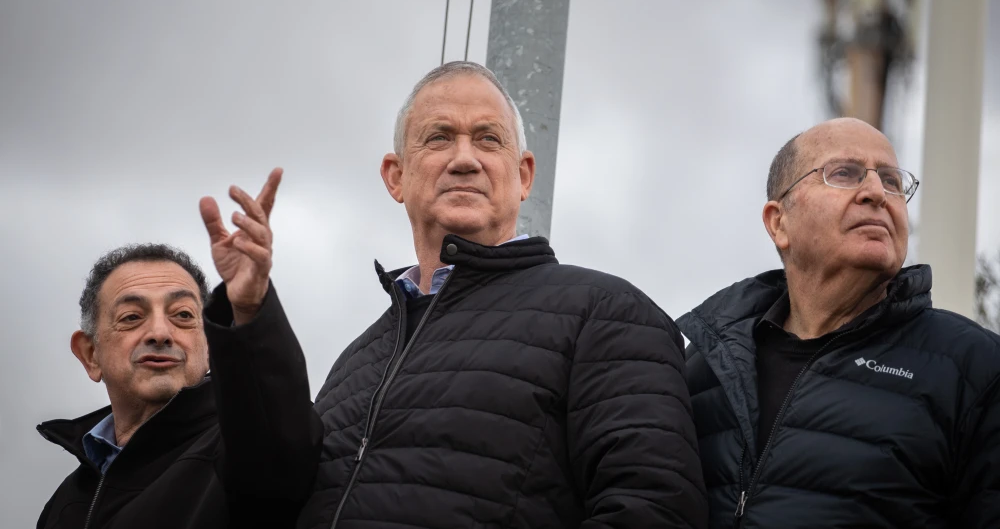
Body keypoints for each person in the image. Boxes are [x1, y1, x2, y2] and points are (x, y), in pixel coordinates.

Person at [199, 61, 708, 529]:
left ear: (524, 174)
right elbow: (263, 498)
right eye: (439, 138)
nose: (464, 159)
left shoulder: (607, 313)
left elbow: (656, 508)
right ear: (396, 177)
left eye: (488, 140)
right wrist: (250, 313)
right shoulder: (355, 361)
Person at [678, 117, 1000, 528]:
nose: (875, 193)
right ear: (779, 222)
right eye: (844, 173)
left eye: (891, 181)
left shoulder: (975, 368)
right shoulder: (705, 368)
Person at [36, 243, 320, 529]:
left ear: (209, 344)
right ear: (90, 354)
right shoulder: (63, 503)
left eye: (183, 315)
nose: (160, 334)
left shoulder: (246, 439)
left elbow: (279, 443)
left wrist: (250, 310)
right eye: (132, 317)